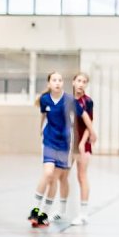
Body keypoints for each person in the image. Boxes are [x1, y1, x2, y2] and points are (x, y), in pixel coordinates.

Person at [27, 72, 93, 228]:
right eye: (54, 80)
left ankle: (44, 213)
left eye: (60, 80)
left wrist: (92, 131)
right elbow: (43, 115)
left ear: (63, 83)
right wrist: (40, 129)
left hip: (64, 145)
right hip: (49, 142)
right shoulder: (44, 100)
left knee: (55, 178)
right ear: (49, 84)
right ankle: (35, 209)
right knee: (48, 173)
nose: (57, 83)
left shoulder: (69, 100)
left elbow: (84, 115)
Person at [70, 72, 97, 226]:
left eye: (84, 81)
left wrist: (83, 142)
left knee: (82, 176)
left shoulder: (88, 102)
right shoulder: (66, 100)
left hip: (82, 144)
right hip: (68, 143)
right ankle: (59, 210)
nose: (81, 84)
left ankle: (84, 214)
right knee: (61, 176)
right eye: (79, 80)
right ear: (73, 82)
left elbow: (89, 124)